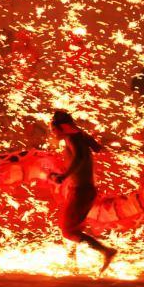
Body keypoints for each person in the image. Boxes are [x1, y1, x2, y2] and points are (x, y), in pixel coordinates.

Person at [50, 110, 116, 273]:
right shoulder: (78, 137)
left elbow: (79, 158)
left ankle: (106, 251)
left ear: (60, 128)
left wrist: (64, 176)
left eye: (53, 129)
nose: (52, 133)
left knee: (68, 230)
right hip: (80, 189)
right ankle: (72, 262)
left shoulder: (71, 138)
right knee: (71, 227)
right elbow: (97, 148)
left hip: (81, 190)